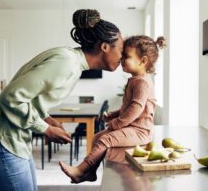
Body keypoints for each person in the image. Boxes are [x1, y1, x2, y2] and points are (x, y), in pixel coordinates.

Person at [0, 9, 123, 191]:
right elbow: (11, 97)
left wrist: (47, 119)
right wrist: (45, 129)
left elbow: (31, 97)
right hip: (0, 139)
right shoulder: (66, 62)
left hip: (10, 140)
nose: (123, 57)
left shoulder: (72, 61)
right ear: (104, 47)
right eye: (121, 49)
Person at [59, 35, 166, 183]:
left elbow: (135, 109)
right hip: (131, 127)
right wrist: (114, 114)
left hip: (140, 131)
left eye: (126, 57)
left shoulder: (143, 83)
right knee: (96, 137)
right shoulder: (135, 80)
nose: (121, 60)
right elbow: (128, 107)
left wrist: (118, 123)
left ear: (143, 61)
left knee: (105, 139)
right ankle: (91, 172)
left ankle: (80, 170)